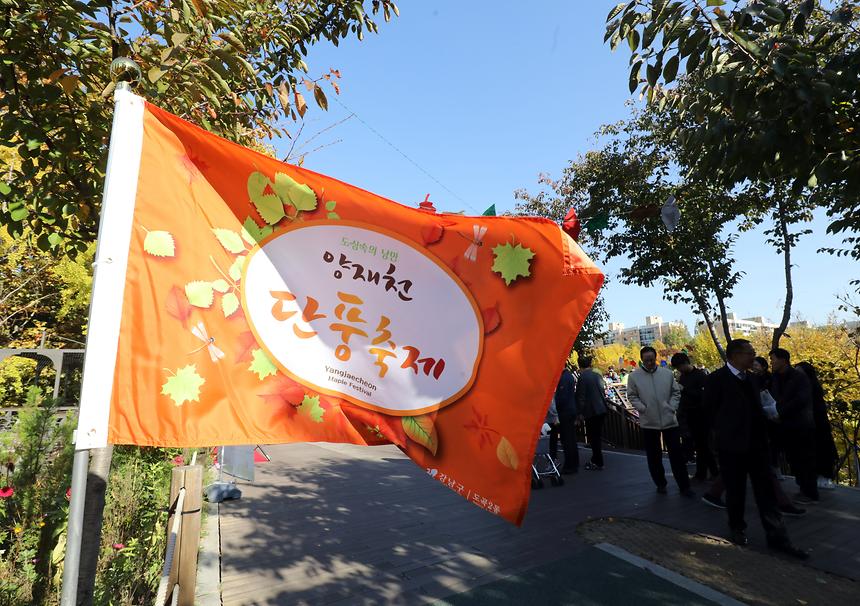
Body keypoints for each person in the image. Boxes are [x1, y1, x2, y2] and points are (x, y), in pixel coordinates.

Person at [704, 338, 807, 558]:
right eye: (749, 353)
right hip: (731, 447)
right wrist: (722, 437)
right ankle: (737, 528)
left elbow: (762, 406)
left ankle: (778, 538)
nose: (753, 357)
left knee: (766, 493)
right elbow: (709, 413)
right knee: (735, 491)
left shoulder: (753, 379)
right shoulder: (715, 380)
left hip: (758, 445)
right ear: (734, 356)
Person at [627, 346, 695, 497]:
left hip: (669, 419)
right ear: (642, 360)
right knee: (654, 456)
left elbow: (676, 392)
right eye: (646, 360)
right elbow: (632, 396)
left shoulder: (667, 374)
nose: (650, 362)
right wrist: (643, 408)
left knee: (677, 455)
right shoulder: (634, 377)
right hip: (648, 421)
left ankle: (684, 486)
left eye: (652, 359)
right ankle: (660, 483)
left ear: (656, 357)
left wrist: (671, 407)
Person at [769, 348, 819, 504]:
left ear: (783, 360)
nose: (771, 362)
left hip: (801, 425)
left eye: (773, 359)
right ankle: (803, 489)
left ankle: (810, 493)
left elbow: (801, 400)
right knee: (794, 460)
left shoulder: (799, 377)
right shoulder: (775, 377)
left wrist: (781, 413)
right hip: (784, 426)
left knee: (805, 459)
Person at [671, 352, 718, 481]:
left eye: (679, 367)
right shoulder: (683, 377)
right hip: (689, 414)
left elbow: (703, 396)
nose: (679, 370)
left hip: (701, 414)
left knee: (703, 445)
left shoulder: (700, 376)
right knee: (699, 445)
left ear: (685, 363)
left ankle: (710, 471)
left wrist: (684, 390)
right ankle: (706, 472)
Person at [795, 361, 838, 490]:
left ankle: (823, 476)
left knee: (820, 450)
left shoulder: (810, 388)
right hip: (810, 425)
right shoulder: (805, 387)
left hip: (817, 425)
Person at [576, 355, 608, 470]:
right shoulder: (597, 375)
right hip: (601, 408)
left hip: (591, 410)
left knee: (593, 437)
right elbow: (602, 390)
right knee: (597, 436)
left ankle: (598, 461)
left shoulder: (582, 377)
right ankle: (596, 459)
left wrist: (579, 413)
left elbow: (581, 397)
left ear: (580, 365)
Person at [555, 362, 579, 474]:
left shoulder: (564, 378)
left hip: (565, 412)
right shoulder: (568, 376)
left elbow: (562, 397)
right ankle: (574, 462)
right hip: (570, 410)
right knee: (571, 439)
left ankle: (570, 465)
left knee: (567, 439)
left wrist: (555, 406)